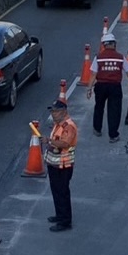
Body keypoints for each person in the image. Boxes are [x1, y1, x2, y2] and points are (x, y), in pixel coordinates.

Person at [88, 33, 128, 142]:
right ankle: (113, 135)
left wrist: (89, 88)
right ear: (114, 44)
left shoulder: (98, 57)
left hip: (100, 86)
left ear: (103, 45)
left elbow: (93, 74)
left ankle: (97, 129)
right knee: (114, 110)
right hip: (115, 87)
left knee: (99, 107)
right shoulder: (120, 57)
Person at [43, 99, 78, 232]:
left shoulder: (68, 127)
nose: (53, 114)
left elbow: (65, 144)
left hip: (64, 165)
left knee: (62, 192)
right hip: (55, 164)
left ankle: (65, 221)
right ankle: (59, 215)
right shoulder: (58, 124)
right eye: (52, 111)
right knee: (56, 191)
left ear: (63, 112)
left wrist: (49, 141)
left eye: (55, 111)